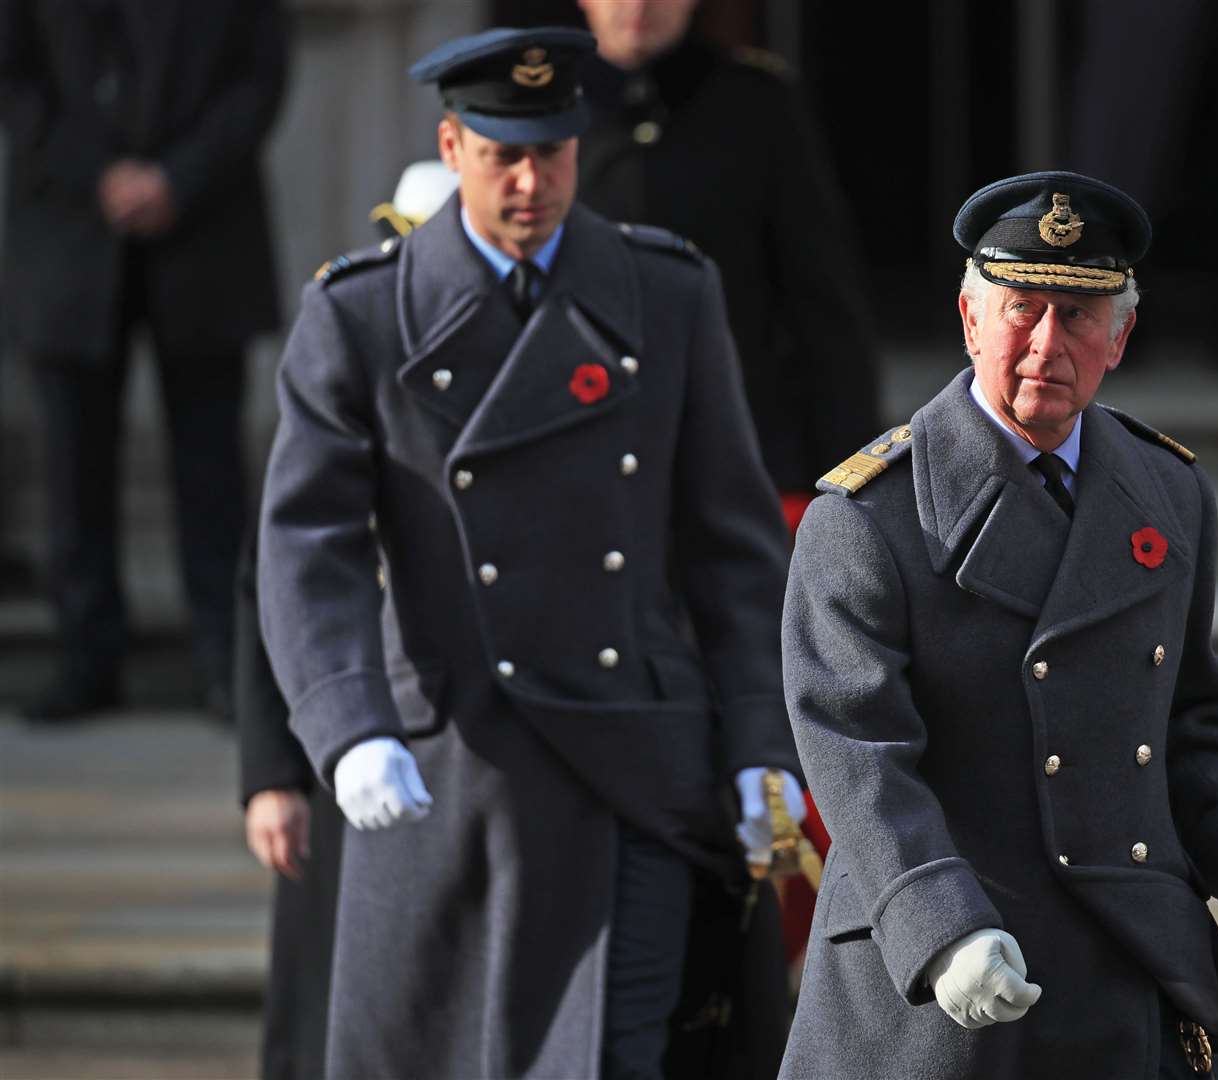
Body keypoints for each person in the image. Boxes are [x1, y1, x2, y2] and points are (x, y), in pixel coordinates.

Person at [257, 27, 802, 1080]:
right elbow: (304, 542)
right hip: (443, 763)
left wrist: (758, 743)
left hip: (627, 766)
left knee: (607, 1055)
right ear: (451, 146)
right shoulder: (362, 315)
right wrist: (346, 722)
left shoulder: (667, 293)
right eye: (503, 153)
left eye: (550, 152)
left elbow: (731, 549)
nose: (530, 180)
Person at [778, 172, 1218, 1079]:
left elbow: (1188, 722)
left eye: (1077, 316)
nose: (1045, 344)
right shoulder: (869, 519)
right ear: (968, 318)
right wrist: (942, 928)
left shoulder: (1169, 490)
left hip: (1133, 962)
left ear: (1122, 336)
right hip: (958, 977)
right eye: (1021, 309)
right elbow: (860, 762)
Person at [236, 160, 461, 1080]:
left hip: (472, 743)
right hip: (352, 740)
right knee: (331, 998)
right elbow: (273, 586)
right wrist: (271, 775)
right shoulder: (341, 375)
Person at [0, 0, 286, 720]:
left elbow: (260, 77)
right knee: (72, 465)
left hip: (203, 230)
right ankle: (85, 655)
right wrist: (97, 175)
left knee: (211, 467)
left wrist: (176, 178)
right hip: (67, 233)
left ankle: (227, 662)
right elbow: (15, 78)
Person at [573, 0, 880, 526]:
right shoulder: (549, 112)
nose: (640, 5)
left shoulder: (755, 103)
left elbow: (824, 304)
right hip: (582, 449)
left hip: (740, 451)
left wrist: (850, 478)